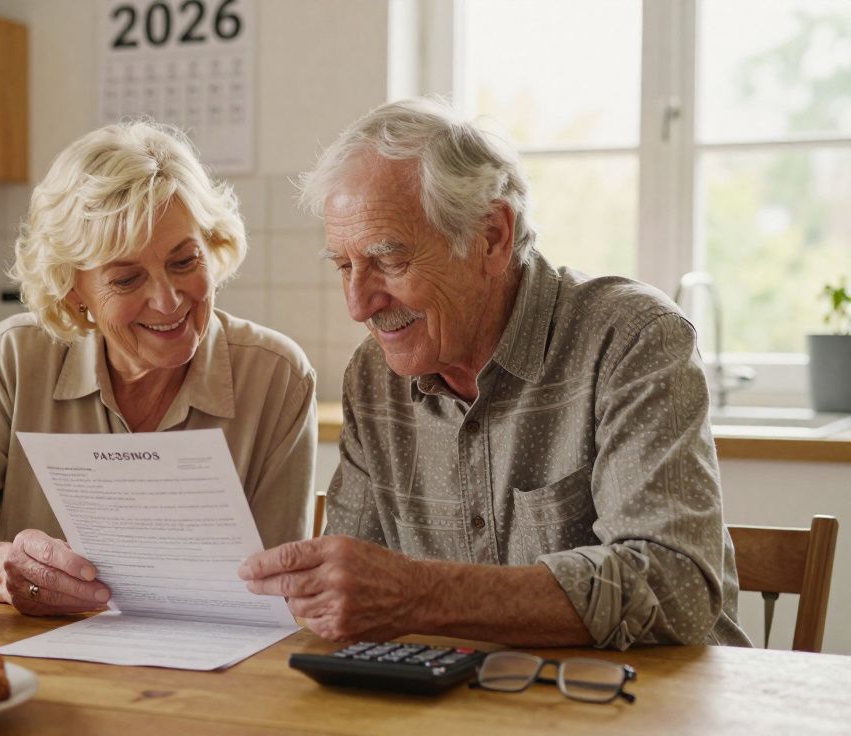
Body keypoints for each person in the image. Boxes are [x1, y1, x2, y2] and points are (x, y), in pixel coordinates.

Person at [238, 98, 750, 650]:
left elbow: (676, 588)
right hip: (477, 707)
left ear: (491, 237)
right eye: (345, 266)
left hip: (653, 707)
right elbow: (352, 602)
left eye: (389, 260)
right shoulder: (374, 375)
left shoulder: (630, 337)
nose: (359, 305)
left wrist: (420, 593)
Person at [0, 121, 316, 617]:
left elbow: (281, 591)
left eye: (185, 261)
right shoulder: (15, 359)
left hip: (214, 673)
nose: (168, 300)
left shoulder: (276, 376)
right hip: (40, 662)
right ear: (72, 291)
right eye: (126, 279)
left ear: (212, 248)